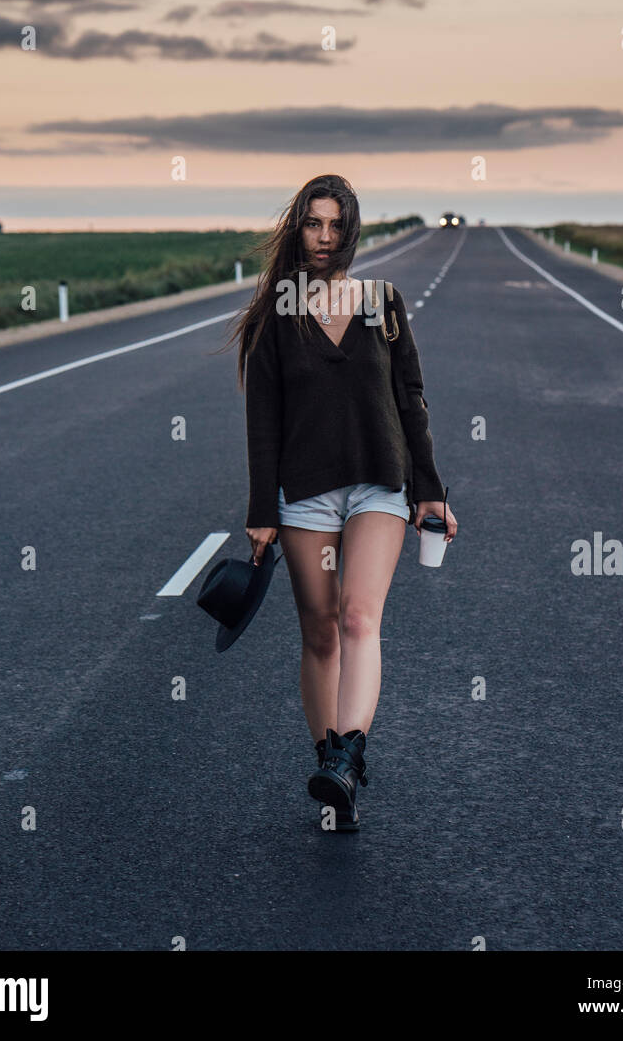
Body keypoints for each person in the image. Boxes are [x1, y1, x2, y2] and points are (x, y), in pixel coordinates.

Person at [223, 174, 457, 830]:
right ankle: (332, 766)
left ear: (351, 233)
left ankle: (348, 759)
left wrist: (430, 491)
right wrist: (259, 511)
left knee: (359, 620)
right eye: (312, 224)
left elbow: (411, 400)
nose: (324, 237)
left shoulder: (384, 302)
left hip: (378, 484)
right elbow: (263, 420)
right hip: (304, 496)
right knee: (321, 633)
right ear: (299, 230)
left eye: (335, 225)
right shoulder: (277, 315)